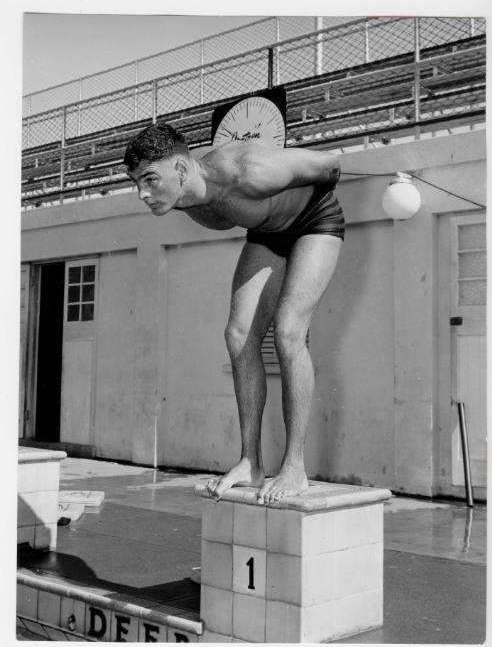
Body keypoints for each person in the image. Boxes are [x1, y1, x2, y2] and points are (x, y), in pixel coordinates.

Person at [124, 123, 344, 505]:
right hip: (267, 234)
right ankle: (250, 462)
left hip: (314, 221)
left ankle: (294, 466)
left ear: (180, 169)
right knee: (238, 335)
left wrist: (294, 192)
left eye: (149, 179)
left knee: (290, 330)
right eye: (136, 182)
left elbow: (331, 166)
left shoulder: (249, 169)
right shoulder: (184, 199)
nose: (142, 193)